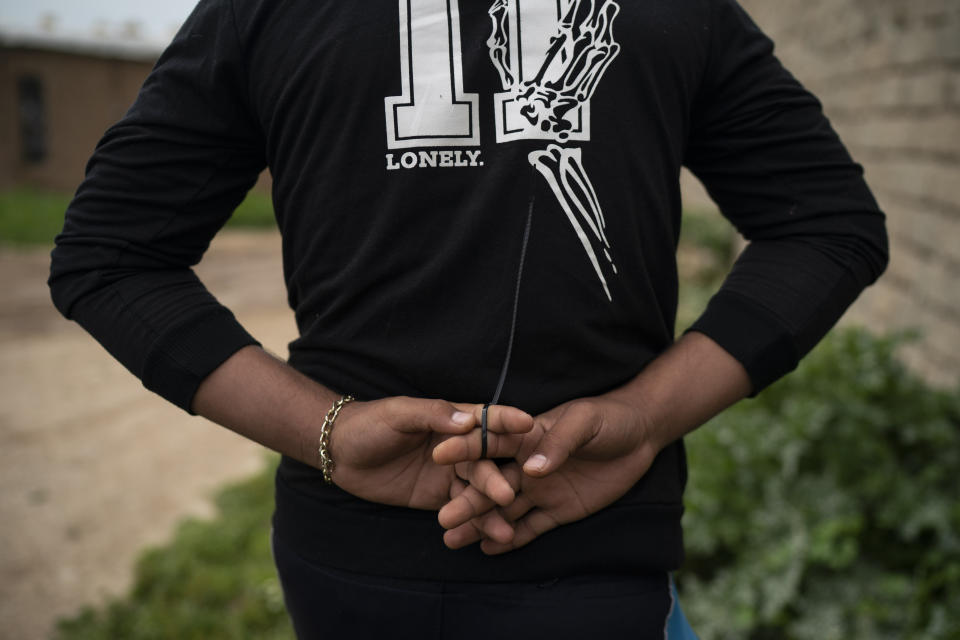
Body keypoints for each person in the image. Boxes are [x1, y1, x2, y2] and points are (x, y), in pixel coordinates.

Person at [49, 0, 888, 637]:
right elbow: (827, 225)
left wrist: (328, 432)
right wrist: (642, 418)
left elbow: (109, 257)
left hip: (358, 561)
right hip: (596, 553)